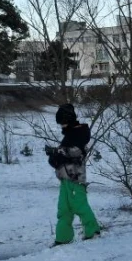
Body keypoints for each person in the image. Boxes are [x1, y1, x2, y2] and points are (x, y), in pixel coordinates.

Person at [47, 103, 100, 245]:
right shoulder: (70, 135)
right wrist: (54, 156)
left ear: (69, 121)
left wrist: (58, 153)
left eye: (63, 123)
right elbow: (63, 153)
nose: (62, 127)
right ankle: (63, 238)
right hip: (65, 179)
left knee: (79, 205)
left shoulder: (80, 133)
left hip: (76, 178)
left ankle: (93, 231)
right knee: (64, 209)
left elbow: (76, 151)